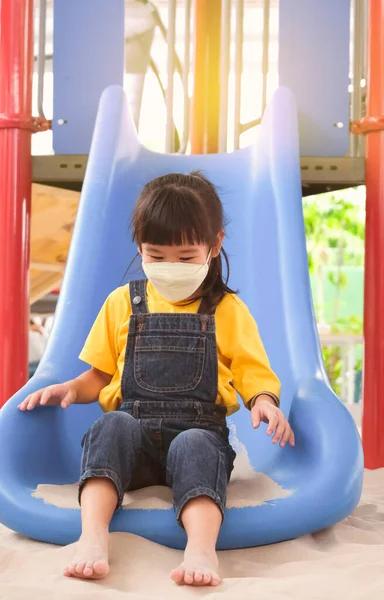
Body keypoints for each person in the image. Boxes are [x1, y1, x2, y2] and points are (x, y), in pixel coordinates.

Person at [18, 172, 295, 587]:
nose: (171, 268)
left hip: (198, 434)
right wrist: (71, 389)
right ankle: (93, 537)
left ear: (214, 245)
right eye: (157, 255)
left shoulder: (227, 309)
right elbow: (100, 374)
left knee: (197, 444)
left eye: (186, 258)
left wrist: (264, 402)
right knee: (110, 426)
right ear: (140, 249)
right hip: (134, 446)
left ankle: (200, 549)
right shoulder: (121, 303)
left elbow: (250, 370)